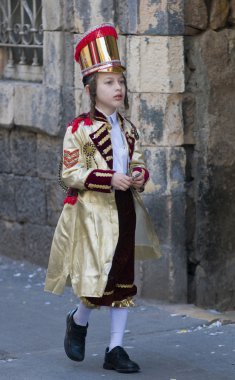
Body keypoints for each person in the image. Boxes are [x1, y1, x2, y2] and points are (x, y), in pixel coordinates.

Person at [44, 23, 161, 374]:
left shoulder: (127, 128)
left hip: (124, 210)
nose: (118, 88)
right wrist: (109, 178)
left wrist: (138, 175)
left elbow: (137, 162)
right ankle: (78, 320)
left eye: (121, 82)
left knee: (124, 279)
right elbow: (69, 174)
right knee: (98, 280)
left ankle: (115, 349)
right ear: (92, 88)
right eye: (110, 82)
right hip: (94, 215)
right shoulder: (78, 129)